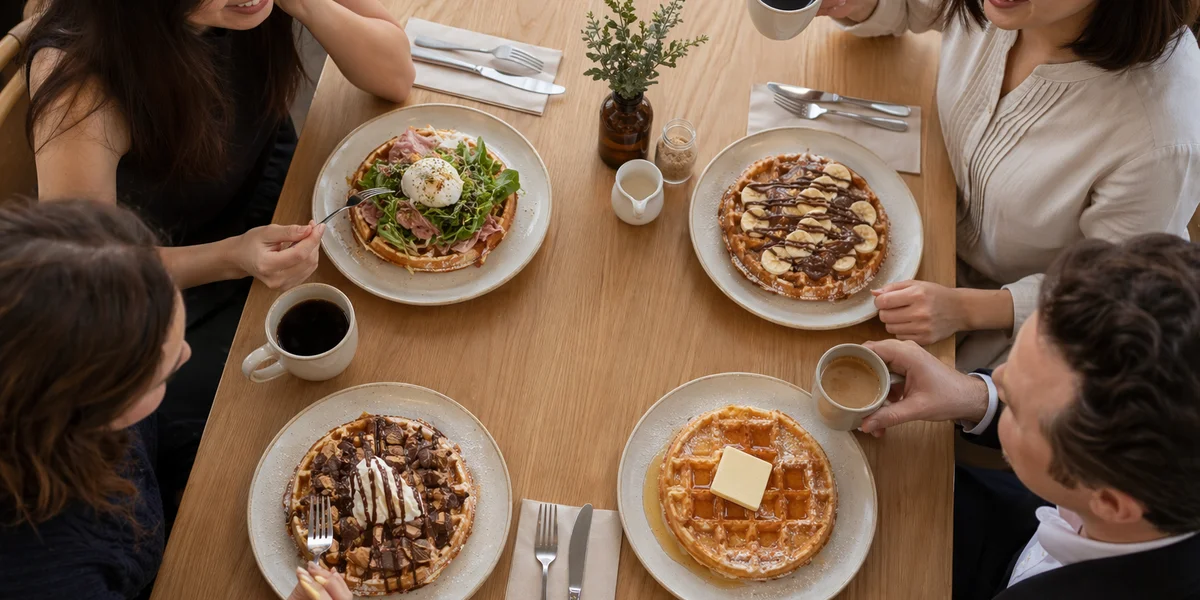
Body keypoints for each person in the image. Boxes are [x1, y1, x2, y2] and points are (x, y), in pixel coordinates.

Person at [22, 0, 414, 521]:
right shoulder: (82, 76)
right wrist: (230, 257)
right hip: (170, 290)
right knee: (281, 464)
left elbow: (395, 74)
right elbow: (86, 267)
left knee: (401, 357)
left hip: (282, 192)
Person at [816, 0, 1200, 370]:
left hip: (1023, 324)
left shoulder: (1160, 137)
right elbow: (911, 6)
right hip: (923, 212)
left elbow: (1113, 292)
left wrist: (966, 309)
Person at [0, 199, 352, 600]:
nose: (185, 353)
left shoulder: (56, 410)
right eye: (160, 372)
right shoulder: (50, 573)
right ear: (92, 404)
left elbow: (151, 449)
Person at [856, 233, 1200, 599]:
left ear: (1111, 503)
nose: (997, 379)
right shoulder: (1151, 474)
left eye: (1016, 408)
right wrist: (973, 396)